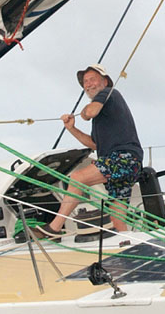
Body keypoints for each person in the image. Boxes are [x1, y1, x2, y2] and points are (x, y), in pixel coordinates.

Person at [33, 64, 143, 239]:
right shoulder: (106, 112)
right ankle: (126, 243)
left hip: (123, 158)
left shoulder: (108, 92)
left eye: (92, 79)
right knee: (116, 215)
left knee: (77, 178)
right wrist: (71, 128)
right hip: (128, 163)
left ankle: (54, 228)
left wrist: (83, 113)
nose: (88, 84)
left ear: (105, 81)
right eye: (85, 81)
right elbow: (94, 144)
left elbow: (90, 111)